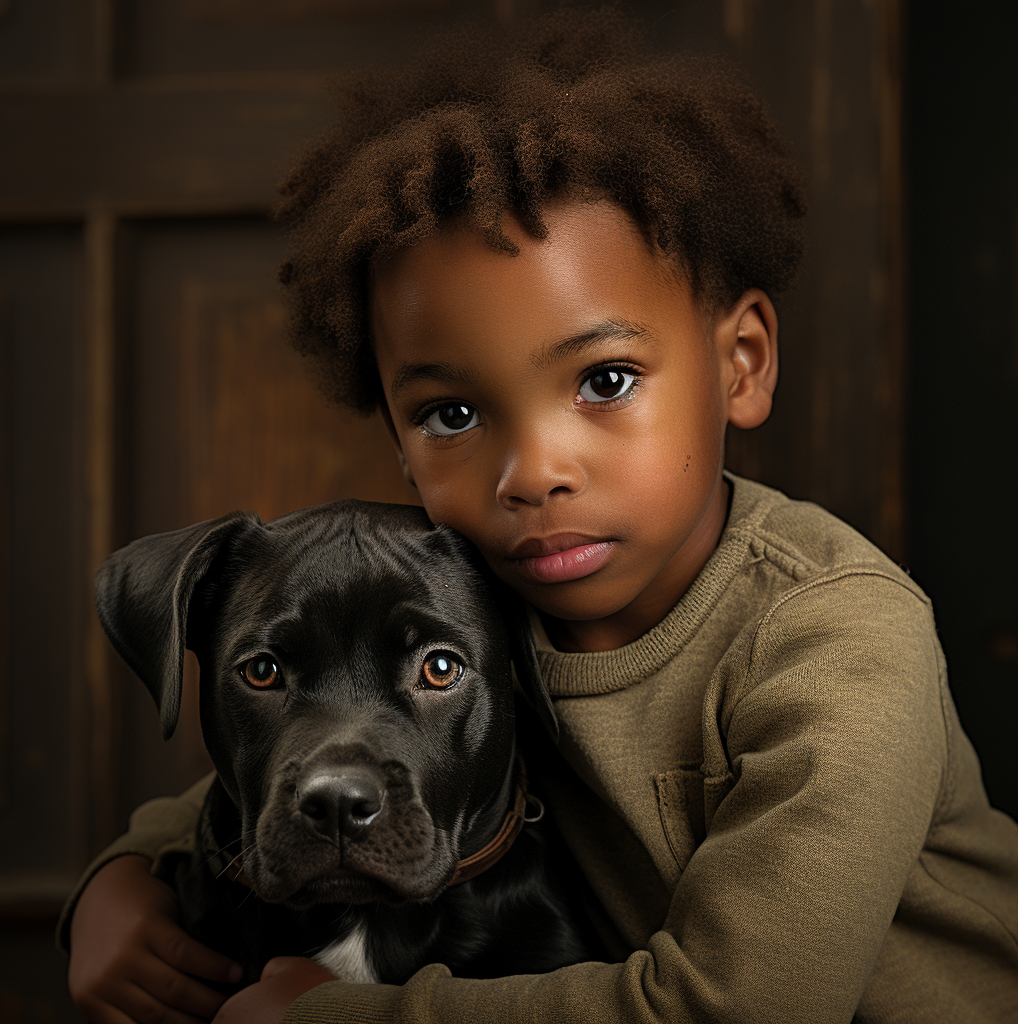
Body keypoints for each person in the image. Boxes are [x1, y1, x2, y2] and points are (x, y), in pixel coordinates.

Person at [62, 8, 1018, 1023]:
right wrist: (123, 875)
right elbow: (321, 717)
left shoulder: (836, 636)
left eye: (603, 378)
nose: (534, 469)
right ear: (394, 430)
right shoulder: (495, 580)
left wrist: (333, 1018)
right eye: (454, 412)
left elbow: (739, 1008)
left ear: (739, 362)